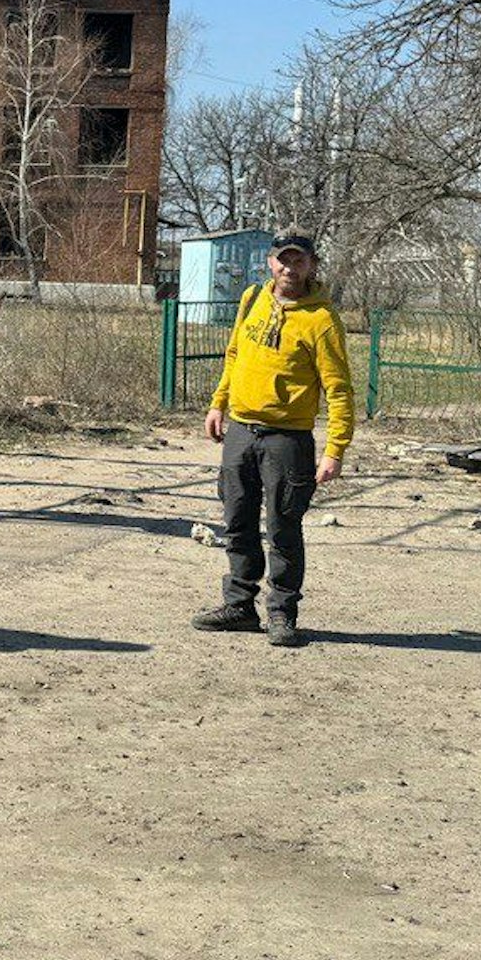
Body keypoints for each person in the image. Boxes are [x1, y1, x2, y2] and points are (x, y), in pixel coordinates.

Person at [194, 229, 354, 648]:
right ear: (270, 262)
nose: (289, 267)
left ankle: (282, 612)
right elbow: (234, 355)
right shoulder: (253, 299)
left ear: (311, 265)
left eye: (298, 260)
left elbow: (338, 388)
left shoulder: (321, 319)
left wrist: (335, 449)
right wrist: (218, 404)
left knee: (283, 526)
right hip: (242, 432)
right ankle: (240, 605)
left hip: (288, 438)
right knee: (237, 519)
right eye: (283, 259)